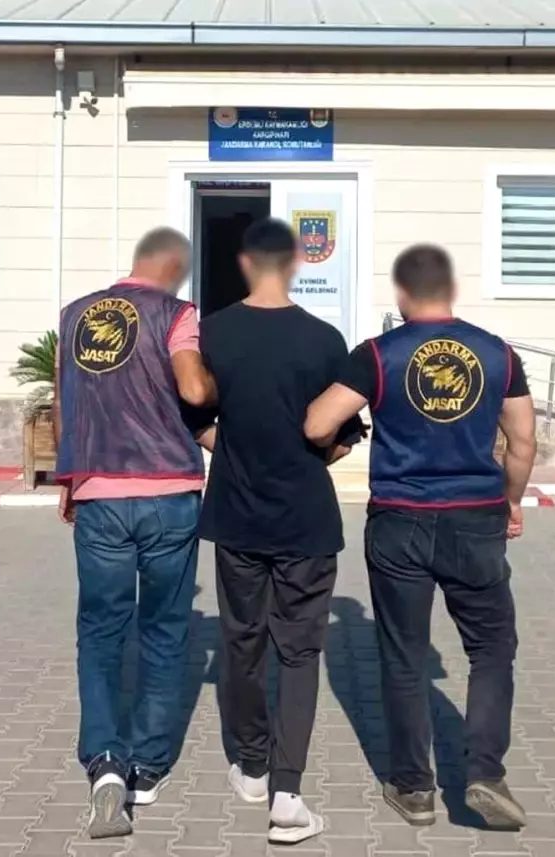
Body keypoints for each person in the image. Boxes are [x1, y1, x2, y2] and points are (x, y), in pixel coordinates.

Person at [303, 243, 536, 831]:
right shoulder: (497, 353)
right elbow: (523, 442)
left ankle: (413, 790)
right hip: (476, 519)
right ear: (451, 291)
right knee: (491, 648)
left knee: (403, 656)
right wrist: (511, 501)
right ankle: (485, 773)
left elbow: (317, 422)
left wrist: (347, 434)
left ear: (402, 294)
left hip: (399, 519)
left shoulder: (378, 355)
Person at [192, 218, 364, 845]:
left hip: (237, 516)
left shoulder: (212, 333)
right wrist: (305, 456)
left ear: (244, 263)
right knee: (299, 652)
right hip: (305, 521)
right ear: (295, 264)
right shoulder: (325, 339)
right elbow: (341, 437)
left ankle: (252, 766)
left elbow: (195, 420)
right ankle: (288, 796)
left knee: (242, 641)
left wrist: (237, 448)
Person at [54, 227, 216, 839]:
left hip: (99, 489)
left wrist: (69, 481)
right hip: (168, 491)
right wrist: (215, 385)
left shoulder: (75, 315)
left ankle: (104, 763)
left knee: (100, 631)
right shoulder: (176, 313)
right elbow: (193, 388)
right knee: (165, 631)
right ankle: (147, 767)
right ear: (174, 268)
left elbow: (64, 403)